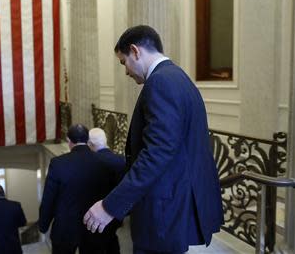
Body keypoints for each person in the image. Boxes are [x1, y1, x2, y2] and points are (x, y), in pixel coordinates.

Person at [83, 25, 224, 254]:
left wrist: (110, 206)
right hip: (173, 204)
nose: (126, 72)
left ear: (135, 51)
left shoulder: (161, 83)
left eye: (123, 62)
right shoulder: (178, 77)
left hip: (163, 210)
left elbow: (157, 153)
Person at [39, 124, 118, 254]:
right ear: (87, 140)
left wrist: (43, 225)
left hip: (64, 229)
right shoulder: (103, 162)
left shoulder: (57, 163)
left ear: (69, 141)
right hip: (92, 227)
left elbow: (49, 198)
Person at [87, 128, 126, 254]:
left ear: (91, 144)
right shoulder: (121, 160)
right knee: (112, 242)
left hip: (96, 215)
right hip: (116, 213)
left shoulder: (90, 162)